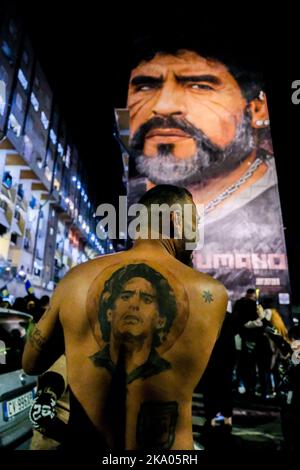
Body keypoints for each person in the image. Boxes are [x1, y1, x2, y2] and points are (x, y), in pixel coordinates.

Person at [22, 184, 227, 451]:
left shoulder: (76, 279)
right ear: (174, 220)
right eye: (195, 223)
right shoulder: (211, 293)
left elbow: (30, 362)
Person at [126, 33, 289, 300]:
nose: (164, 106)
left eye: (200, 86)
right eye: (145, 86)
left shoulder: (272, 203)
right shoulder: (134, 198)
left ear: (257, 110)